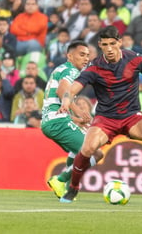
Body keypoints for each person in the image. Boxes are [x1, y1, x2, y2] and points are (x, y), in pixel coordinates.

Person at [58, 26, 142, 203]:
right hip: (106, 119)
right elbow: (73, 89)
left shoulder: (134, 59)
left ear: (119, 42)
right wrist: (66, 100)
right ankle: (73, 189)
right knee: (87, 148)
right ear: (100, 45)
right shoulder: (95, 67)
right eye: (104, 45)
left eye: (112, 43)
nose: (109, 48)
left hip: (132, 115)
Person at [42, 40, 103, 199]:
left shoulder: (61, 69)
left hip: (51, 121)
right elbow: (62, 91)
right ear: (69, 56)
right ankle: (60, 180)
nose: (86, 59)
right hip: (58, 121)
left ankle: (69, 191)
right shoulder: (71, 71)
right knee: (95, 153)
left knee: (77, 152)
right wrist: (79, 112)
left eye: (88, 56)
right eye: (81, 54)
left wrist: (74, 119)